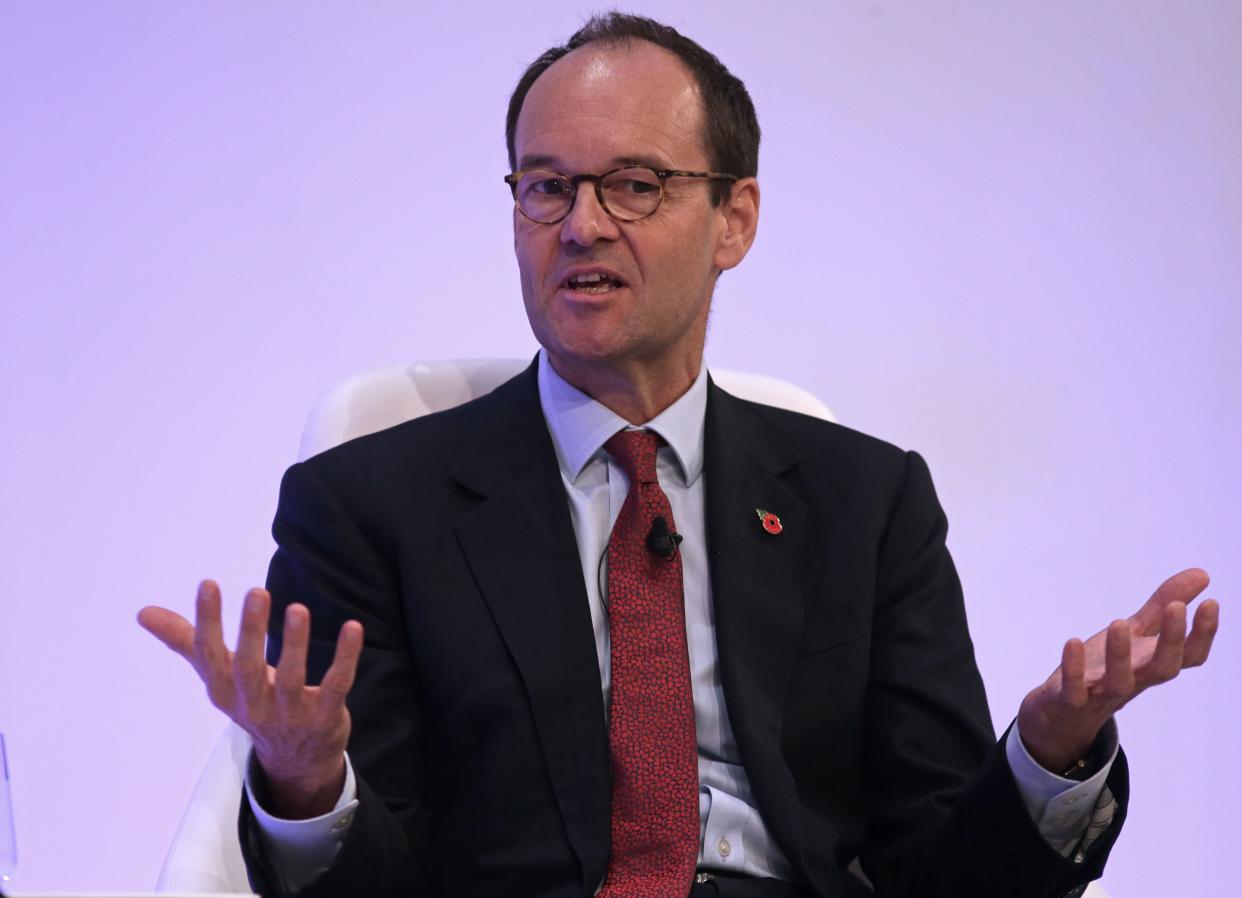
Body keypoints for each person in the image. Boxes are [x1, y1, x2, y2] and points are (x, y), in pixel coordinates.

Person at [139, 13, 1219, 898]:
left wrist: (1046, 752)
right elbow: (378, 887)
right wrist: (306, 776)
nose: (580, 225)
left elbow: (942, 878)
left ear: (733, 218)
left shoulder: (868, 501)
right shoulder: (368, 503)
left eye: (635, 184)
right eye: (545, 186)